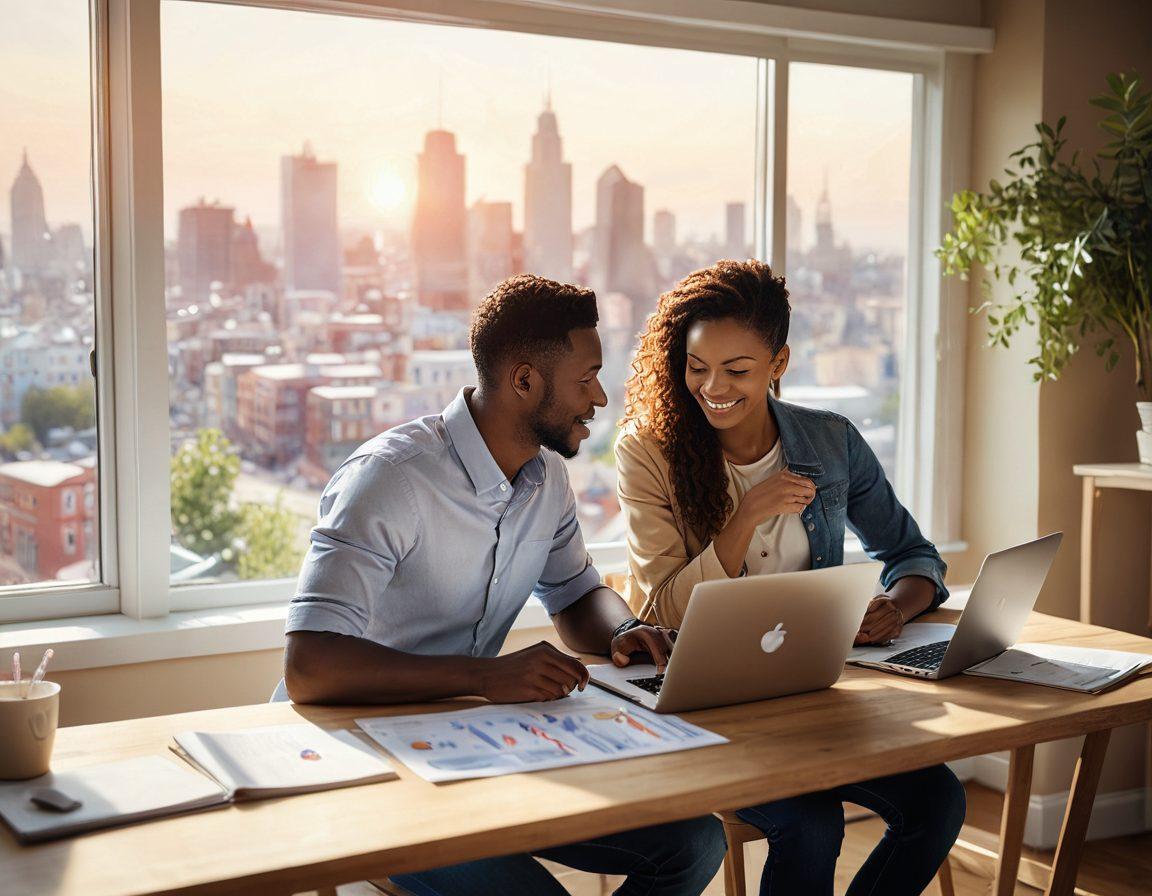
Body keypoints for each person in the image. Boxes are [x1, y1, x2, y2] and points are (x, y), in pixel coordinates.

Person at [283, 274, 726, 896]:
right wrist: (487, 678)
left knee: (694, 842)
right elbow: (310, 666)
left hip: (470, 741)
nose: (600, 398)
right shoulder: (389, 479)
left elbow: (576, 594)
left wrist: (625, 630)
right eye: (585, 379)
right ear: (524, 381)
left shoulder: (547, 478)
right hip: (362, 760)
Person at [614, 259, 965, 896]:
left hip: (809, 696)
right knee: (811, 823)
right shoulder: (648, 451)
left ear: (779, 362)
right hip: (703, 705)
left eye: (737, 370)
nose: (713, 387)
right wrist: (748, 513)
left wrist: (896, 606)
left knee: (937, 800)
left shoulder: (830, 441)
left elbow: (913, 553)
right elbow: (662, 608)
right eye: (697, 367)